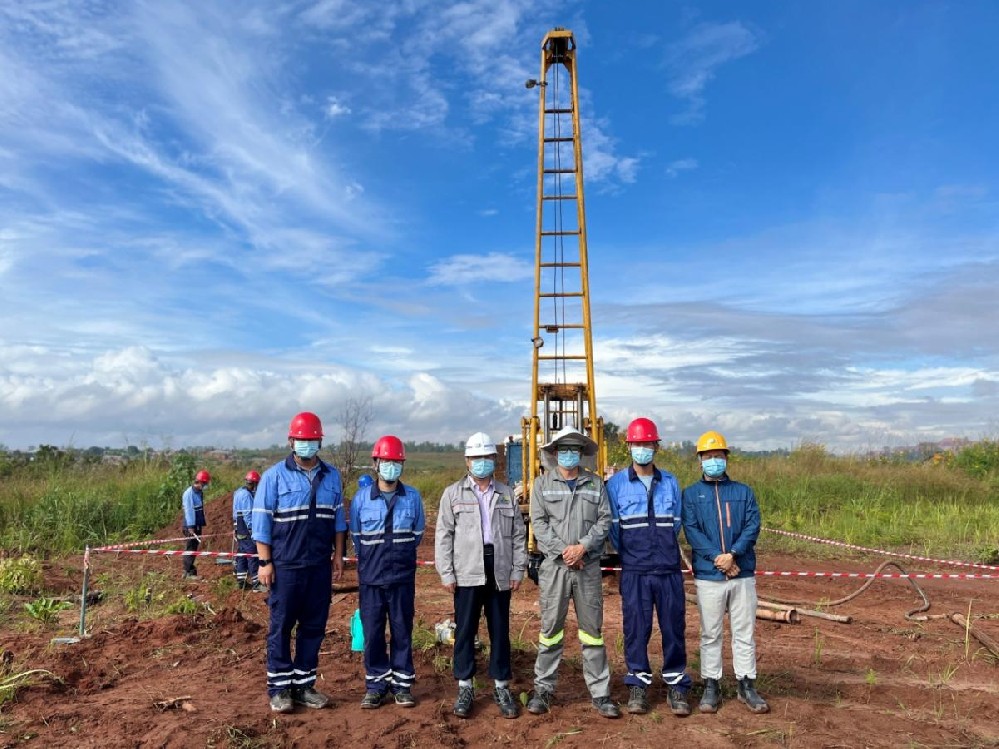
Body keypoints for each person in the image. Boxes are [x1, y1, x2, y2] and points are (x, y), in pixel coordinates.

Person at [252, 411, 346, 714]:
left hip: (318, 566)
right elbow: (261, 522)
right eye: (301, 439)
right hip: (286, 566)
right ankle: (280, 689)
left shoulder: (332, 476)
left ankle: (304, 685)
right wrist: (265, 562)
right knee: (281, 626)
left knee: (314, 626)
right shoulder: (274, 477)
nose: (307, 444)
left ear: (320, 442)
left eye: (312, 440)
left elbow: (339, 521)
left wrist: (338, 555)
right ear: (291, 441)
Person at [527, 426, 619, 719]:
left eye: (575, 449)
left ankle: (600, 693)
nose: (569, 454)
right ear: (555, 453)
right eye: (564, 449)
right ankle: (543, 690)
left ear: (581, 453)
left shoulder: (595, 484)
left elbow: (604, 520)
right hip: (555, 568)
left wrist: (583, 548)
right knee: (550, 631)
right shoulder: (542, 484)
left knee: (592, 633)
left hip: (587, 567)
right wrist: (565, 553)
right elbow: (539, 523)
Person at [435, 431, 527, 720]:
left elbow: (518, 535)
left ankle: (501, 686)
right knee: (465, 630)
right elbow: (443, 535)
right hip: (466, 569)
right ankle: (465, 687)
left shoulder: (507, 493)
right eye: (476, 457)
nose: (481, 462)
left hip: (499, 568)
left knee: (500, 630)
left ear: (494, 459)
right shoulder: (453, 494)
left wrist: (518, 568)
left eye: (486, 457)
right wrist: (446, 572)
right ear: (467, 460)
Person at [606, 418, 692, 716]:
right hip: (635, 571)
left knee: (673, 627)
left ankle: (677, 684)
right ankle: (638, 685)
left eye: (647, 443)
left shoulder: (670, 482)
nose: (642, 448)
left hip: (668, 569)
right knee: (636, 628)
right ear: (629, 447)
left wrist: (661, 550)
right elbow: (614, 529)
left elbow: (676, 523)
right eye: (637, 444)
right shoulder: (616, 485)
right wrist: (634, 555)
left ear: (656, 446)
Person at [681, 430, 769, 715]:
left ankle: (746, 684)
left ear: (726, 458)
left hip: (742, 573)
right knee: (710, 633)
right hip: (709, 576)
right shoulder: (690, 495)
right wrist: (718, 559)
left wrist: (733, 554)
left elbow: (752, 526)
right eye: (708, 456)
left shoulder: (743, 492)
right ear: (700, 460)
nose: (714, 461)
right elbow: (692, 531)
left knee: (744, 632)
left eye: (718, 456)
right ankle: (711, 684)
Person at [349, 435, 426, 710]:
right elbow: (356, 536)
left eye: (396, 462)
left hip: (402, 577)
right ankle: (376, 686)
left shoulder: (412, 498)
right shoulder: (361, 499)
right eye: (386, 461)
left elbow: (417, 534)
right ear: (376, 464)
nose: (391, 466)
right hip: (371, 578)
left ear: (402, 465)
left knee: (402, 630)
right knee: (373, 632)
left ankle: (402, 686)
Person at [233, 470, 263, 591]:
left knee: (242, 554)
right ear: (255, 483)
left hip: (240, 528)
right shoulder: (246, 495)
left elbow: (235, 514)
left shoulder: (238, 492)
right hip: (246, 529)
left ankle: (241, 582)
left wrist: (235, 528)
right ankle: (256, 584)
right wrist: (252, 530)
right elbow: (249, 515)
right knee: (252, 555)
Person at [181, 470, 211, 580]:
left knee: (193, 547)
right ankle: (188, 573)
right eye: (205, 483)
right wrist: (191, 527)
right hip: (191, 526)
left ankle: (190, 571)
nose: (206, 485)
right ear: (200, 482)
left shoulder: (198, 492)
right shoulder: (189, 493)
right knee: (191, 547)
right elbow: (189, 511)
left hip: (196, 524)